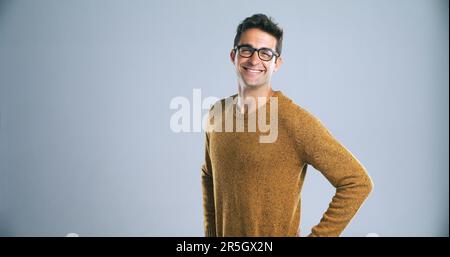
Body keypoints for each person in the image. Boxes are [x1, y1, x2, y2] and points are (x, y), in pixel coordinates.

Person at [201, 13, 373, 237]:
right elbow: (209, 176)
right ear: (233, 55)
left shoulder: (293, 121)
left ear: (277, 63)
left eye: (265, 53)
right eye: (247, 50)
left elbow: (357, 182)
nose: (254, 60)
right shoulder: (216, 114)